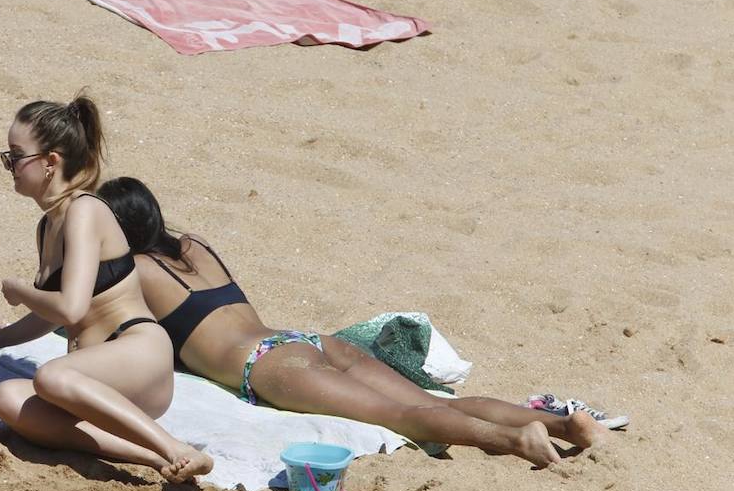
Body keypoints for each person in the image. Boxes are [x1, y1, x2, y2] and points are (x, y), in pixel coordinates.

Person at [94, 176, 611, 467]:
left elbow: (84, 312)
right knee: (430, 401)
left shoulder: (135, 272)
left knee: (401, 416)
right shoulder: (193, 245)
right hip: (305, 342)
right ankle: (564, 425)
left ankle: (515, 441)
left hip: (267, 365)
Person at [0, 96, 213, 483]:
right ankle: (155, 457)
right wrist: (0, 337)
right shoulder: (48, 224)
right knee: (8, 400)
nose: (10, 166)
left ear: (50, 162)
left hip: (136, 353)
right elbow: (48, 316)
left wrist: (20, 290)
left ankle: (173, 446)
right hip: (95, 376)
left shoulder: (84, 210)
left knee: (50, 378)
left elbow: (70, 309)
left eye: (16, 156)